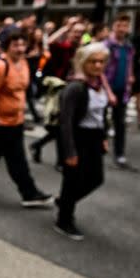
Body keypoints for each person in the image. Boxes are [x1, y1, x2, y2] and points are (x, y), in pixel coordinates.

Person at [0, 30, 53, 207]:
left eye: (23, 44)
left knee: (17, 159)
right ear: (7, 47)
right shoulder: (0, 65)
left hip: (15, 122)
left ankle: (29, 193)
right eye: (16, 45)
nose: (20, 48)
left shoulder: (23, 63)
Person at [54, 43, 110, 240]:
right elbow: (66, 122)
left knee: (96, 178)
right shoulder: (76, 87)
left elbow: (101, 114)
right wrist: (69, 151)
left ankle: (65, 202)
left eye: (101, 61)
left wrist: (103, 137)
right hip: (77, 136)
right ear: (84, 63)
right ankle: (64, 220)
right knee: (72, 179)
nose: (97, 65)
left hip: (94, 137)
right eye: (93, 61)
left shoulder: (99, 83)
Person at [103, 14, 136, 169]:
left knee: (120, 123)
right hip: (105, 88)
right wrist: (108, 91)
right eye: (119, 25)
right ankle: (98, 148)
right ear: (113, 26)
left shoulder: (128, 46)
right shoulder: (106, 45)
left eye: (125, 26)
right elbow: (100, 70)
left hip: (121, 90)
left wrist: (130, 78)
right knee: (100, 120)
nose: (122, 29)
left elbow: (129, 64)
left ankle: (119, 154)